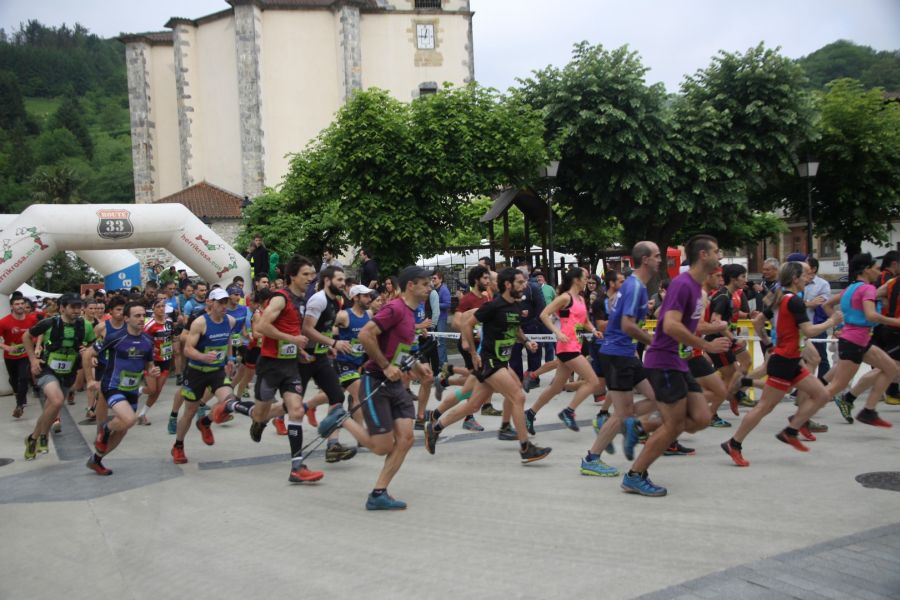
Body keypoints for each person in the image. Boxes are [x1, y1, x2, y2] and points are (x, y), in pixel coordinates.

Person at [622, 235, 731, 497]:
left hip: (677, 361)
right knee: (674, 425)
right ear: (703, 255)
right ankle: (635, 475)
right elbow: (669, 325)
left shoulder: (696, 288)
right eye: (716, 251)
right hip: (663, 361)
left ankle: (641, 426)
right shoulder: (683, 285)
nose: (721, 256)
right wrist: (706, 346)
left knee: (701, 418)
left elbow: (669, 320)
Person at [318, 266, 433, 509]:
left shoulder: (411, 313)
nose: (429, 287)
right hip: (376, 380)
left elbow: (398, 351)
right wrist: (383, 365)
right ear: (411, 285)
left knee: (406, 438)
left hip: (395, 383)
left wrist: (416, 365)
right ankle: (342, 419)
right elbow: (366, 335)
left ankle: (378, 493)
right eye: (424, 283)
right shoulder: (395, 308)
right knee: (382, 447)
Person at [721, 261, 844, 466]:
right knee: (764, 407)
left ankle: (791, 430)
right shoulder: (793, 301)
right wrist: (833, 321)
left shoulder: (782, 297)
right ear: (795, 278)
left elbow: (757, 321)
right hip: (785, 360)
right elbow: (810, 331)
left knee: (822, 394)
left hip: (791, 359)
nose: (809, 278)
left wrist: (769, 344)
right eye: (805, 275)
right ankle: (734, 443)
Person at [424, 268, 552, 464]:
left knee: (473, 404)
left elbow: (515, 328)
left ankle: (435, 428)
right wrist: (473, 353)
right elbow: (466, 324)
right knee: (518, 396)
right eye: (519, 282)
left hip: (501, 361)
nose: (524, 285)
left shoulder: (516, 305)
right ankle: (526, 447)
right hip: (490, 361)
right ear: (508, 285)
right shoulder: (493, 306)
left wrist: (526, 342)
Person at [214, 255, 323, 482]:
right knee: (260, 414)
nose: (310, 278)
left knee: (296, 410)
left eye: (312, 274)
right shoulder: (281, 298)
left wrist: (300, 350)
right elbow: (262, 327)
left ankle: (297, 467)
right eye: (305, 274)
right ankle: (231, 404)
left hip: (290, 366)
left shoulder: (303, 300)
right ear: (292, 276)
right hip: (270, 366)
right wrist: (291, 340)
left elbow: (292, 330)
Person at [581, 243, 661, 477]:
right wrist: (652, 341)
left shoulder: (635, 286)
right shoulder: (635, 287)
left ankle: (627, 425)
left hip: (625, 353)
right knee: (623, 413)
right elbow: (627, 325)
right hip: (617, 354)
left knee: (657, 398)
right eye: (656, 256)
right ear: (645, 259)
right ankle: (592, 458)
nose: (660, 260)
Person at [83, 302, 159, 475]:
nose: (141, 319)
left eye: (143, 316)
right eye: (137, 316)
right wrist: (89, 380)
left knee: (123, 430)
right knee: (130, 419)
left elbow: (149, 364)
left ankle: (96, 460)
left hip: (131, 389)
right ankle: (106, 429)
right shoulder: (115, 337)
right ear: (126, 318)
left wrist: (152, 370)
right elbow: (88, 354)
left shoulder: (148, 340)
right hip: (112, 386)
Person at [525, 268, 600, 432]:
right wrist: (557, 333)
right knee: (593, 381)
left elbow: (584, 321)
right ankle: (569, 411)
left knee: (556, 388)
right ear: (576, 280)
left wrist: (594, 331)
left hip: (576, 344)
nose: (588, 280)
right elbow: (544, 314)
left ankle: (529, 414)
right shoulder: (565, 297)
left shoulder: (580, 298)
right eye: (585, 278)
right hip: (567, 347)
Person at [830, 253, 900, 426]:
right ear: (866, 270)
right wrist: (895, 321)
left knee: (890, 368)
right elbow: (870, 315)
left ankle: (868, 410)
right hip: (855, 339)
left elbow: (827, 304)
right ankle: (803, 413)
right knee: (837, 385)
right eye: (876, 268)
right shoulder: (867, 288)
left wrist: (838, 324)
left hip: (860, 339)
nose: (879, 271)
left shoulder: (852, 288)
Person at [22, 293, 95, 459]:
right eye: (73, 307)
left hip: (69, 371)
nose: (77, 311)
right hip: (48, 369)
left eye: (79, 307)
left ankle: (33, 438)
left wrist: (88, 351)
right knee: (56, 401)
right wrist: (33, 360)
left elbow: (92, 343)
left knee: (51, 407)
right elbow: (26, 336)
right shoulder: (49, 323)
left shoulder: (85, 326)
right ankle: (43, 437)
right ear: (62, 308)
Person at [170, 288, 238, 464]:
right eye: (220, 303)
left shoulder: (230, 321)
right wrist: (202, 357)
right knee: (190, 411)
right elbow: (187, 349)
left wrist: (230, 358)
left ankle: (205, 422)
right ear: (210, 303)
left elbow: (228, 340)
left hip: (217, 371)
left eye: (226, 303)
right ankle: (178, 445)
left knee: (229, 402)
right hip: (196, 372)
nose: (224, 306)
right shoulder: (200, 323)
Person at [0, 295, 39, 418]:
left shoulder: (32, 319)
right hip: (10, 356)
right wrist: (6, 347)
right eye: (17, 304)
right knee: (13, 379)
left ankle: (19, 406)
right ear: (11, 306)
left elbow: (40, 333)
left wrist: (37, 346)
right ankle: (19, 396)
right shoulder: (4, 322)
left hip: (25, 353)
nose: (20, 306)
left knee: (23, 377)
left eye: (22, 303)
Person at [137, 297, 175, 425]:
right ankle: (139, 391)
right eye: (158, 306)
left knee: (157, 391)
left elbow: (172, 337)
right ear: (153, 309)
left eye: (163, 306)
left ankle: (142, 414)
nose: (161, 309)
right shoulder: (149, 324)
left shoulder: (169, 321)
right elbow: (141, 341)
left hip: (166, 359)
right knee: (152, 390)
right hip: (152, 361)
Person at [432, 270, 452, 370]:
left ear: (440, 279)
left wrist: (435, 305)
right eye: (432, 278)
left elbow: (448, 304)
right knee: (435, 341)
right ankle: (441, 363)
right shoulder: (433, 289)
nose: (433, 280)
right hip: (434, 318)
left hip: (441, 318)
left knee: (441, 341)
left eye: (435, 278)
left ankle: (443, 364)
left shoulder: (444, 290)